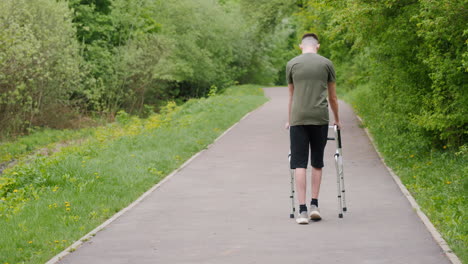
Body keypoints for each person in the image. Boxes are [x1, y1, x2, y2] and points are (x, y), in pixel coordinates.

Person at [285, 33, 340, 224]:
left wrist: (289, 119)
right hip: (320, 118)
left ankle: (302, 211)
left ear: (301, 46)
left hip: (298, 119)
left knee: (300, 163)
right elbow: (333, 97)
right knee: (317, 161)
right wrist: (337, 119)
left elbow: (291, 95)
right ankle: (314, 204)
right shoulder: (327, 64)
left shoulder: (292, 64)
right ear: (317, 46)